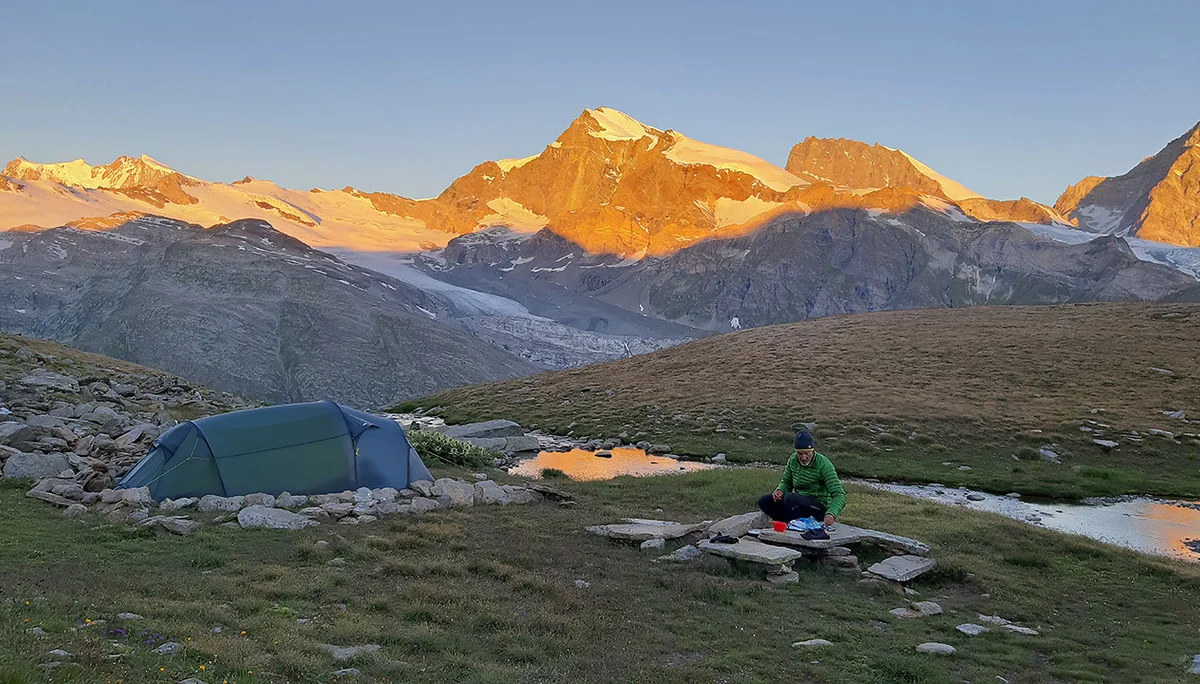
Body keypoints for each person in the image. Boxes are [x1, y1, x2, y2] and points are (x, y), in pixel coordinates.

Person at [758, 430, 846, 533]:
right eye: (800, 453)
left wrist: (831, 513)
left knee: (790, 498)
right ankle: (786, 522)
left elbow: (839, 494)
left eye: (807, 453)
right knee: (764, 501)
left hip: (818, 506)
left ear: (812, 450)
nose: (803, 457)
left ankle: (791, 526)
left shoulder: (824, 464)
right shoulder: (793, 460)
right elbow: (786, 482)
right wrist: (780, 490)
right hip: (798, 503)